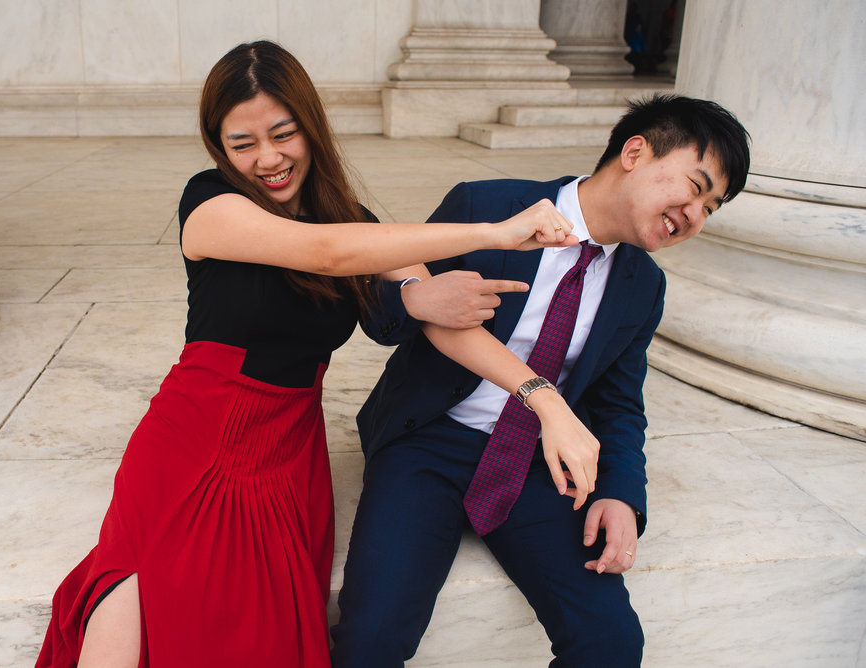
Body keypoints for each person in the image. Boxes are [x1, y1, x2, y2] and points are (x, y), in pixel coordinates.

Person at [36, 40, 600, 668]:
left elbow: (441, 318)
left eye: (283, 133)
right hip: (198, 433)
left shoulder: (350, 220)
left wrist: (543, 399)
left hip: (288, 447)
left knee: (266, 634)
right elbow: (324, 254)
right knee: (141, 581)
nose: (268, 159)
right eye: (242, 143)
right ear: (218, 148)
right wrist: (495, 234)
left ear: (311, 125)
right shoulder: (209, 203)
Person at [332, 94, 751, 667]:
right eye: (696, 187)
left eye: (713, 207)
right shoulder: (490, 205)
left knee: (609, 644)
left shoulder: (641, 286)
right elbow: (382, 316)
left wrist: (622, 494)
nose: (697, 215)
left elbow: (619, 403)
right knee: (371, 638)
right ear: (635, 152)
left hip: (532, 462)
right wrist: (416, 297)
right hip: (427, 440)